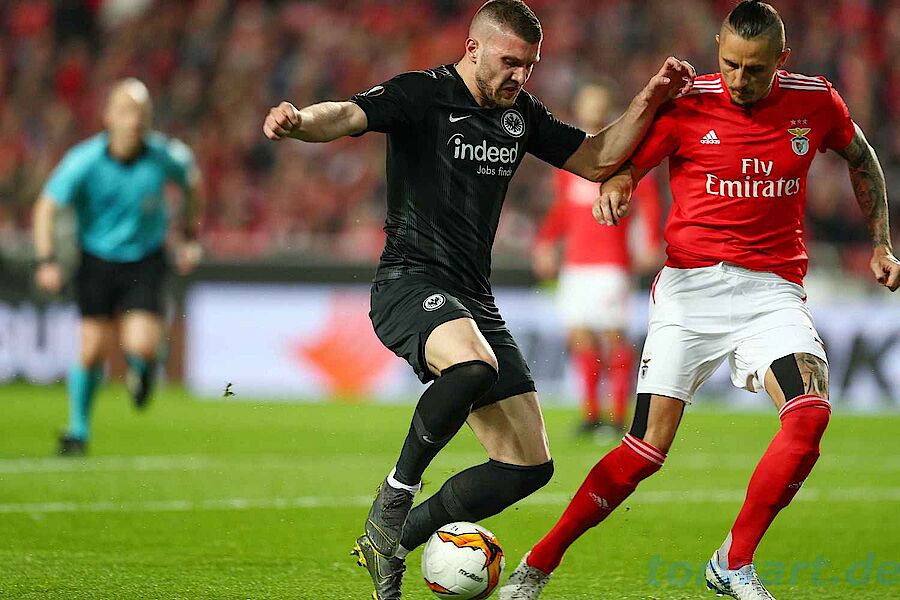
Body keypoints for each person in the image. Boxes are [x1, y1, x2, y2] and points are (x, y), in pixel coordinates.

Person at [263, 1, 694, 597]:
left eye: (530, 65)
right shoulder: (423, 93)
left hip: (473, 298)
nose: (521, 75)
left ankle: (392, 541)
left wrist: (649, 97)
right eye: (510, 62)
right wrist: (299, 121)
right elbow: (346, 113)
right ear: (473, 48)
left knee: (528, 466)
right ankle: (394, 496)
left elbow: (598, 158)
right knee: (472, 366)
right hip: (409, 283)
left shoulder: (520, 114)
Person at [499, 2, 900, 599]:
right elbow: (626, 167)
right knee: (643, 452)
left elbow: (861, 157)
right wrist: (618, 187)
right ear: (718, 48)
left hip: (772, 291)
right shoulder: (689, 103)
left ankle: (734, 562)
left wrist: (881, 242)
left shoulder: (816, 101)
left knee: (810, 414)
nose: (740, 79)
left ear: (782, 60)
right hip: (690, 290)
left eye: (755, 69)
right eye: (731, 64)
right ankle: (539, 561)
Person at [33, 78, 202, 457]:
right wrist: (46, 260)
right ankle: (78, 431)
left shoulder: (166, 156)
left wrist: (189, 235)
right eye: (126, 112)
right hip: (95, 259)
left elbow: (192, 183)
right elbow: (46, 207)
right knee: (92, 348)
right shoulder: (84, 160)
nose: (134, 121)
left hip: (145, 258)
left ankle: (143, 368)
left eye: (141, 113)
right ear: (108, 116)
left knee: (141, 344)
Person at [532, 81, 663, 437]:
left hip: (611, 263)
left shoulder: (623, 153)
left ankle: (619, 416)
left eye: (598, 104)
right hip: (576, 265)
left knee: (613, 335)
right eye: (587, 104)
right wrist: (546, 241)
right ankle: (591, 414)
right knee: (580, 336)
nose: (592, 110)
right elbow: (563, 209)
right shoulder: (569, 159)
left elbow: (647, 197)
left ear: (608, 109)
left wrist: (650, 240)